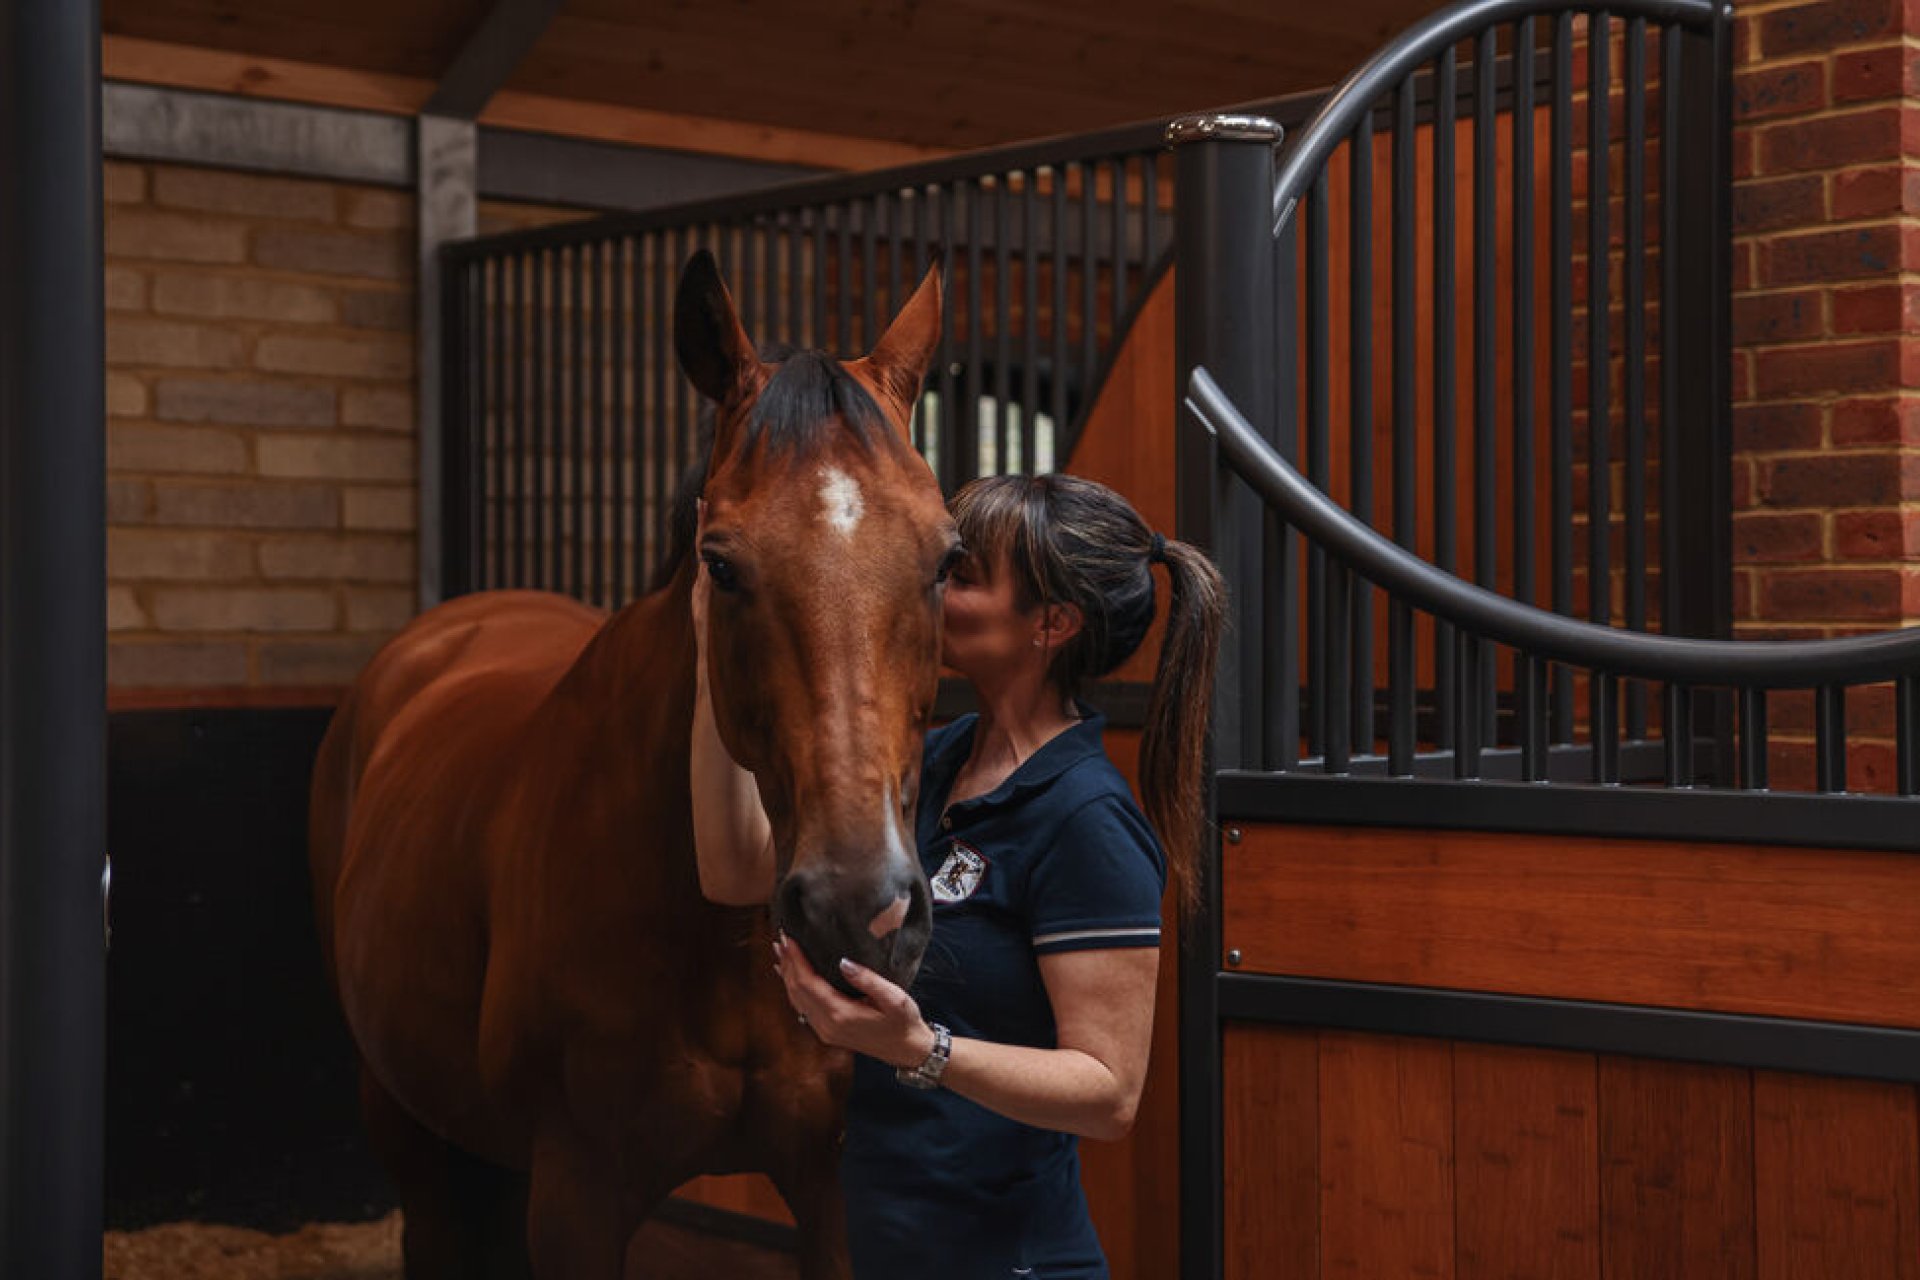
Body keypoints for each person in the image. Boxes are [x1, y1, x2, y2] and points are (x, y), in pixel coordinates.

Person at [690, 471, 1225, 1278]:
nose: (931, 592)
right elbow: (733, 870)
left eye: (960, 577)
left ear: (1052, 622)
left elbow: (1110, 1093)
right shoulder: (936, 763)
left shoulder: (1084, 818)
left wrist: (920, 1049)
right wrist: (712, 633)